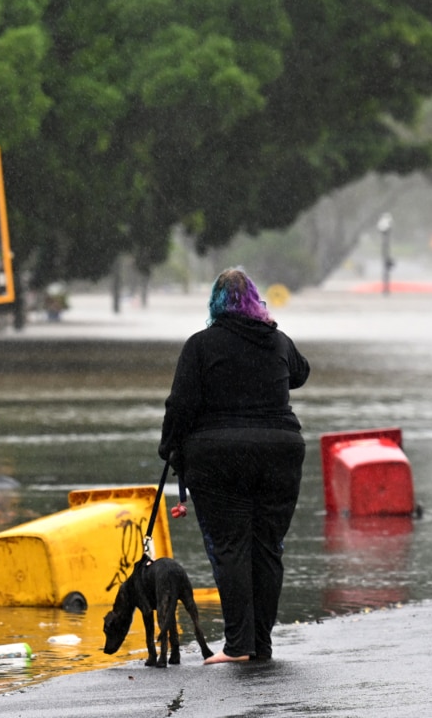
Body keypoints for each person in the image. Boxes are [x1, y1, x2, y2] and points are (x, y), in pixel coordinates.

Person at [158, 267, 310, 664]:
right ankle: (261, 644)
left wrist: (169, 449)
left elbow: (181, 405)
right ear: (256, 302)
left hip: (219, 459)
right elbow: (301, 374)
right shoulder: (277, 341)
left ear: (215, 304)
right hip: (281, 454)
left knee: (231, 548)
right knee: (267, 548)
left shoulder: (201, 346)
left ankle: (239, 646)